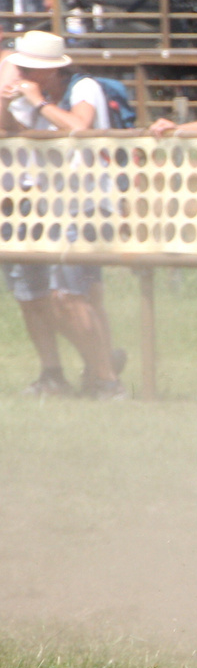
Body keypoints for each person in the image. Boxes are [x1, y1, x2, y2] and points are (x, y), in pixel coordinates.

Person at [0, 30, 123, 398]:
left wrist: (37, 102)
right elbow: (17, 133)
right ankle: (56, 374)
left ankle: (105, 378)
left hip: (83, 206)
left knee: (69, 297)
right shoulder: (33, 95)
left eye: (27, 68)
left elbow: (79, 127)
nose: (20, 74)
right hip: (40, 207)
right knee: (34, 295)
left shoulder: (83, 88)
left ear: (49, 70)